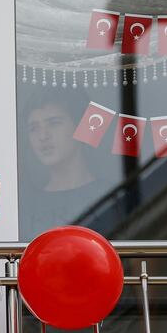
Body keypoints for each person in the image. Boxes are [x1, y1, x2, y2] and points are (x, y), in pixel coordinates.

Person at [19, 89, 111, 239]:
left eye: (54, 123)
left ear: (80, 127)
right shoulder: (24, 205)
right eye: (34, 128)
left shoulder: (112, 195)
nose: (43, 136)